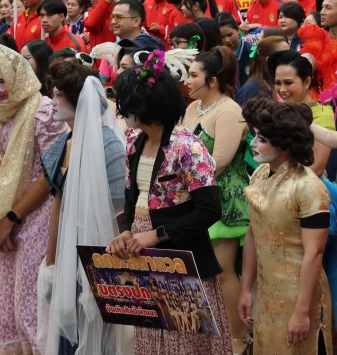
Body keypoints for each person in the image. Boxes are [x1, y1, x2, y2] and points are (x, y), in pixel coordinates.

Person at [106, 50, 233, 354]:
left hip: (180, 253)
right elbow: (131, 195)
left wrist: (158, 234)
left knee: (183, 341)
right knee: (151, 336)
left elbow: (210, 209)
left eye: (127, 104)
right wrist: (126, 230)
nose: (122, 112)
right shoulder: (133, 141)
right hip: (142, 250)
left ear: (146, 105)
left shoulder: (187, 147)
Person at [39, 60, 129, 354]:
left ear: (79, 100)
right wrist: (51, 263)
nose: (52, 101)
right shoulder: (62, 145)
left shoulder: (109, 146)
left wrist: (107, 270)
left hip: (99, 253)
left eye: (58, 95)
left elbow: (118, 215)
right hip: (68, 251)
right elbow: (58, 204)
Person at [238, 98, 333, 354]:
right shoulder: (260, 174)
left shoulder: (308, 187)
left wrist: (302, 312)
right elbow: (253, 233)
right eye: (254, 136)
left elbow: (315, 253)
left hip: (301, 296)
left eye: (261, 139)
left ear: (284, 145)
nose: (253, 144)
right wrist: (246, 289)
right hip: (267, 293)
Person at [182, 47, 251, 354]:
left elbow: (218, 162)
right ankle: (209, 336)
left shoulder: (230, 112)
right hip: (191, 194)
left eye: (193, 75)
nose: (187, 81)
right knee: (196, 271)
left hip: (222, 198)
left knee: (221, 271)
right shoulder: (192, 108)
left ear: (212, 81)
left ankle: (238, 338)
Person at [0, 46, 68, 354]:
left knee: (31, 307)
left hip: (38, 216)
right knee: (8, 307)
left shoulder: (43, 111)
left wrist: (11, 218)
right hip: (7, 218)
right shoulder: (4, 112)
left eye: (2, 80)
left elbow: (51, 174)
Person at [267, 50, 332, 176]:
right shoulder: (279, 112)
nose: (282, 89)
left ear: (306, 82)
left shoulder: (322, 114)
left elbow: (316, 167)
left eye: (288, 83)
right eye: (277, 83)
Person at [234, 34, 288, 106]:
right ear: (269, 60)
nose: (292, 58)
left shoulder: (276, 83)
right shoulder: (250, 91)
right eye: (286, 55)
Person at [217, 12, 252, 88]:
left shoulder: (252, 51)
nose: (227, 40)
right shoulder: (217, 55)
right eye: (222, 37)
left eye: (230, 35)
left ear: (238, 30)